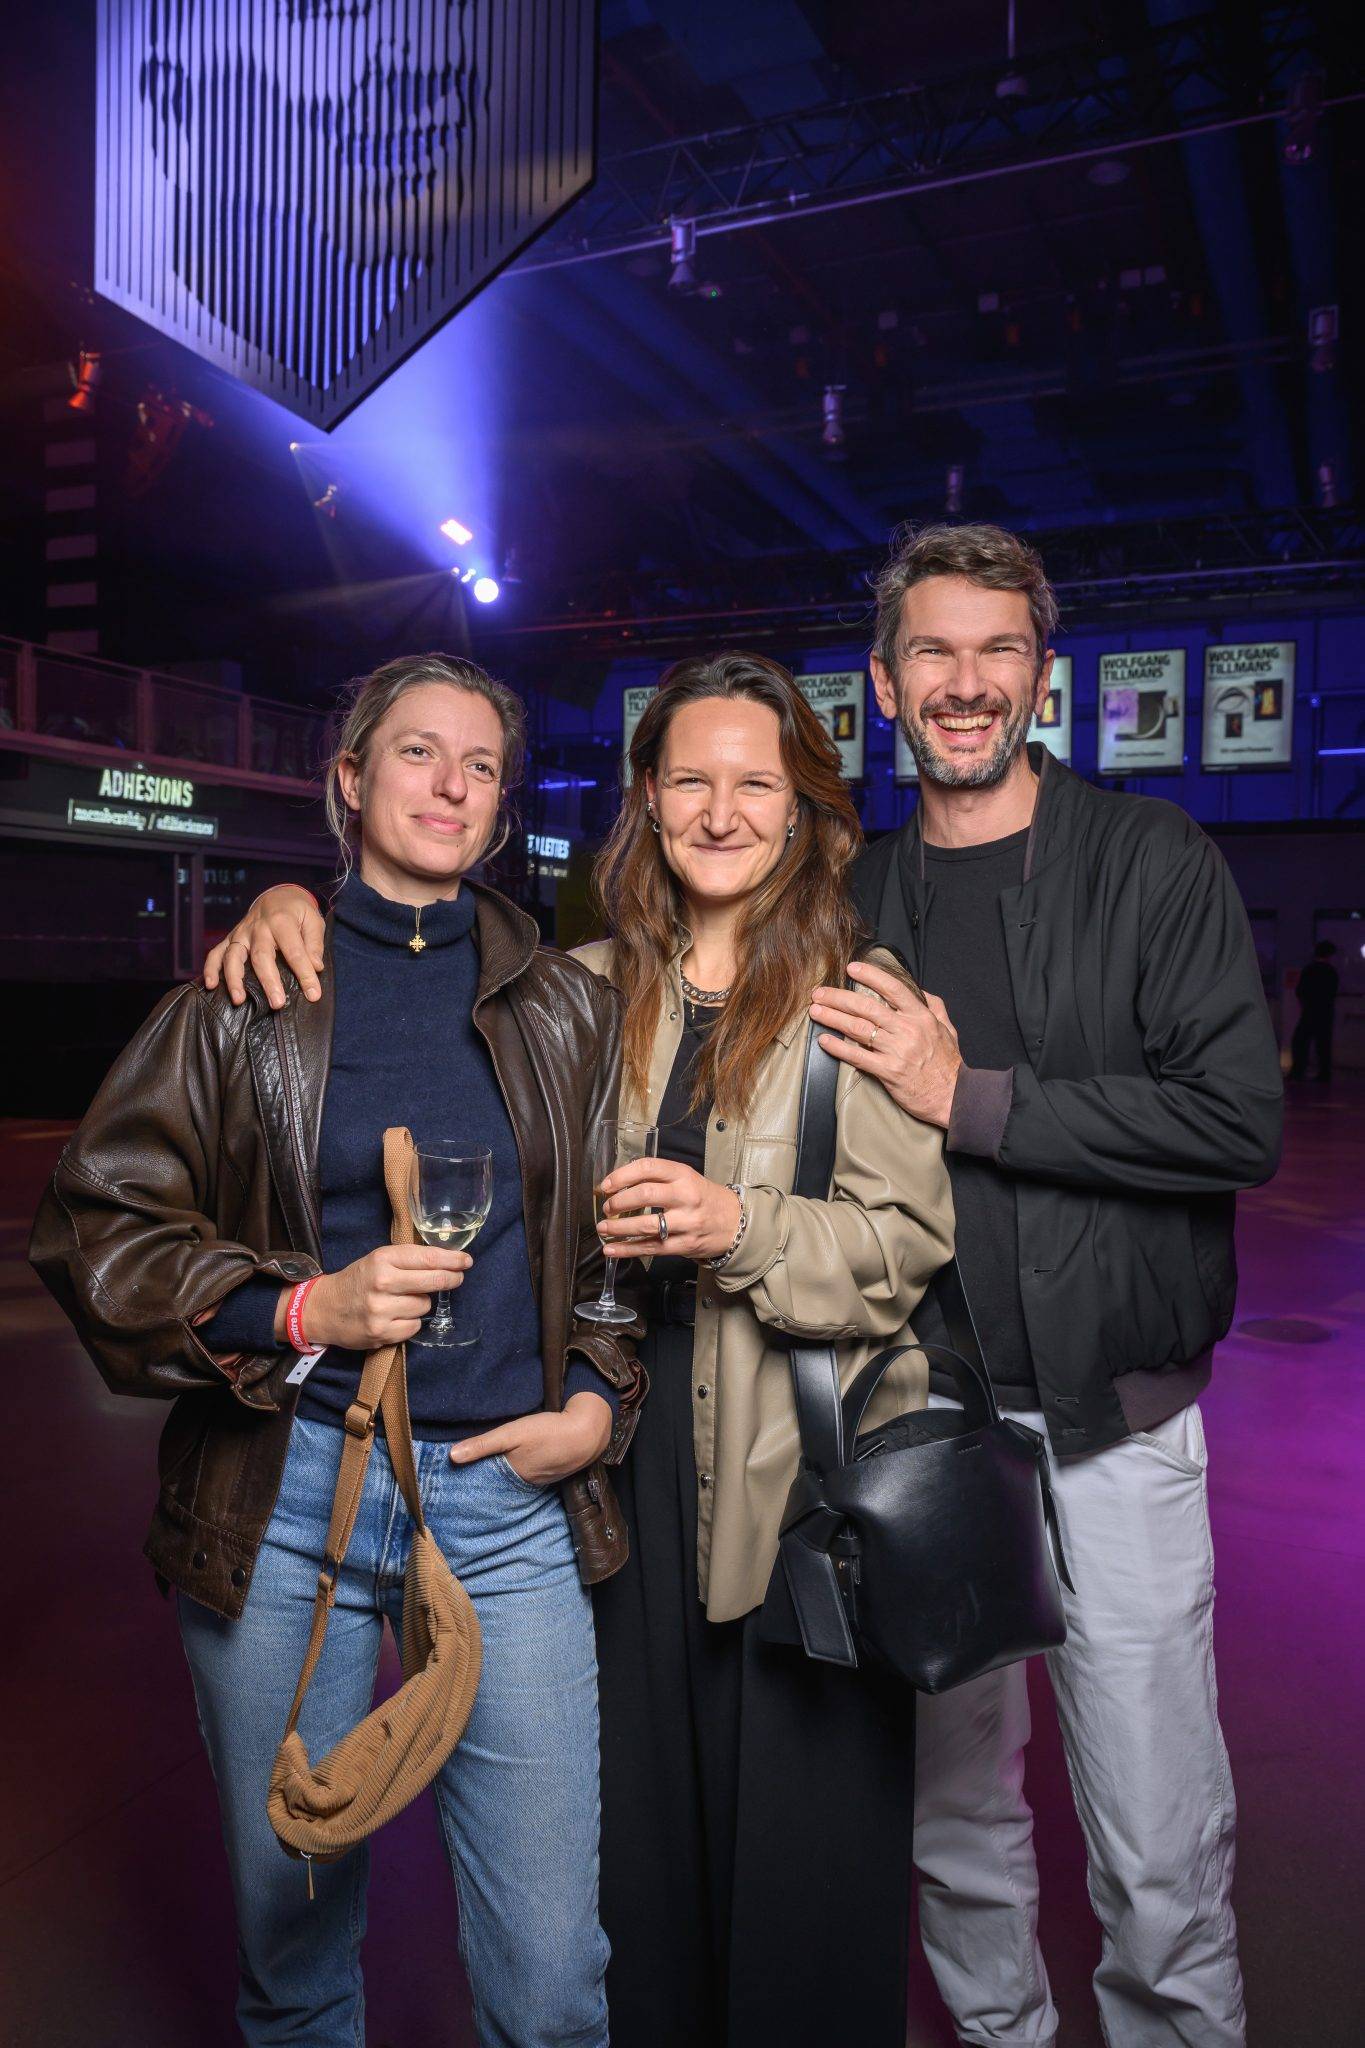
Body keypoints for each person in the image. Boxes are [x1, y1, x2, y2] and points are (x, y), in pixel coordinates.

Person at [203, 652, 956, 2048]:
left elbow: (903, 1253)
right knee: (620, 1867)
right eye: (689, 781)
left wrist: (739, 1223)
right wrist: (290, 894)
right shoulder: (578, 987)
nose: (722, 811)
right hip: (597, 1467)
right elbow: (403, 973)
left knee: (799, 1856)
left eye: (756, 782)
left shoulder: (859, 993)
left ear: (801, 812)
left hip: (788, 1473)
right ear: (645, 805)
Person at [31, 653, 643, 2048]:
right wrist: (303, 1310)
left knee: (554, 1982)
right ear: (349, 781)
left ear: (499, 811)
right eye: (418, 754)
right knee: (296, 1953)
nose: (451, 785)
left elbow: (611, 1260)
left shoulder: (565, 1009)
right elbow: (93, 1229)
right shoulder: (248, 993)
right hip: (288, 1494)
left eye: (481, 766)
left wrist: (602, 1401)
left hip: (508, 1503)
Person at [808, 523, 1282, 2048]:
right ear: (884, 686)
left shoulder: (1152, 864)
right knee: (956, 1822)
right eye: (932, 652)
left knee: (1154, 1832)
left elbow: (1234, 1118)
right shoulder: (852, 900)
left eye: (997, 650)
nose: (965, 683)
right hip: (928, 1430)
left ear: (1042, 677)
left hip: (1118, 1429)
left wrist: (974, 1097)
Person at [1289, 939, 1339, 1082]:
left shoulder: (1309, 970)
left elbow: (1300, 991)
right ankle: (1324, 1074)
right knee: (1323, 1044)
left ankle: (1298, 1071)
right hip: (1325, 1013)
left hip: (1309, 1012)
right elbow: (1333, 993)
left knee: (1301, 1041)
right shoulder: (1331, 972)